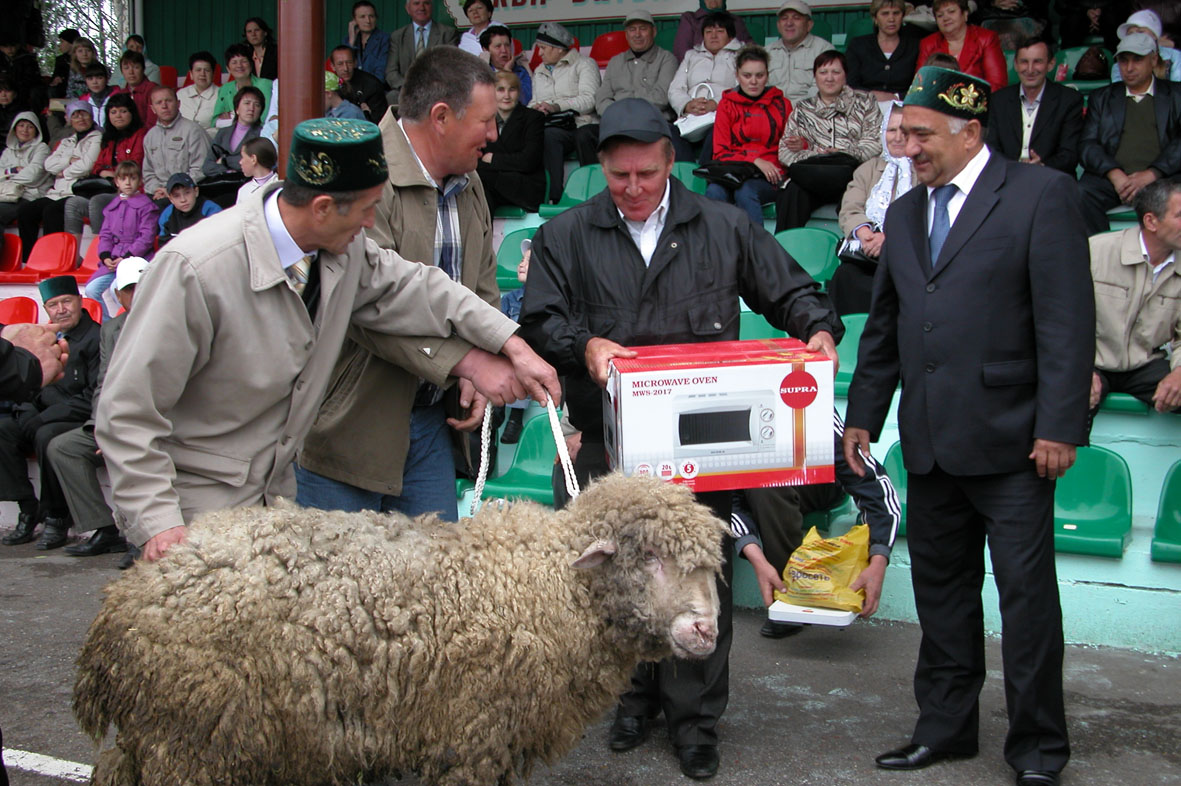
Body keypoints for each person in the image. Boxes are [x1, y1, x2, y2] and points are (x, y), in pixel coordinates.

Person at [517, 97, 842, 782]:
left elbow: (790, 290)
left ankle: (694, 721)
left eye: (646, 175)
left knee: (697, 584)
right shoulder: (565, 235)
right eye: (617, 177)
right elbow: (540, 322)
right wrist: (586, 343)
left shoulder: (722, 225)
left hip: (705, 443)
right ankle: (631, 701)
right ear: (600, 170)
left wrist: (815, 327)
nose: (632, 190)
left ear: (671, 163)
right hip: (611, 445)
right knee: (621, 582)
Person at [95, 116, 559, 563]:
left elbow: (419, 287)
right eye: (366, 210)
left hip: (273, 507)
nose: (371, 221)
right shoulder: (196, 269)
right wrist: (157, 521)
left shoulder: (341, 250)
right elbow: (128, 410)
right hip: (195, 517)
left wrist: (510, 344)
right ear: (321, 208)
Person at [843, 66, 1093, 786]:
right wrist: (863, 414)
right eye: (905, 133)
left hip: (1016, 445)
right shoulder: (907, 211)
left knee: (1025, 606)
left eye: (921, 135)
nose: (908, 148)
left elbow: (1066, 322)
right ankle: (945, 729)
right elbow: (886, 325)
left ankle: (1038, 749)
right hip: (929, 441)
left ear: (970, 131)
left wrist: (1060, 426)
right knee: (943, 600)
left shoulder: (1041, 196)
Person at [297, 48, 504, 522]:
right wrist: (466, 364)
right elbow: (369, 308)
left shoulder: (471, 185)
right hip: (348, 430)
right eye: (487, 121)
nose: (494, 136)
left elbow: (483, 291)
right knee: (344, 593)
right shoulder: (364, 175)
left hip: (430, 425)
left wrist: (484, 361)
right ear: (441, 117)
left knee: (433, 591)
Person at [732, 410, 899, 638]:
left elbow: (873, 486)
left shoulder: (808, 402)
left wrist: (879, 556)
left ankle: (794, 592)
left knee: (767, 480)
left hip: (814, 478)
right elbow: (723, 499)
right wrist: (753, 552)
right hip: (748, 484)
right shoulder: (723, 398)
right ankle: (787, 592)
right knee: (754, 485)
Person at [48, 257, 149, 561]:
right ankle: (104, 529)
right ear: (118, 294)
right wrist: (99, 426)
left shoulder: (174, 320)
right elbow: (104, 383)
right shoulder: (112, 328)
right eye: (130, 289)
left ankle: (140, 537)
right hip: (118, 418)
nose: (137, 294)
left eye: (143, 286)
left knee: (126, 449)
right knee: (64, 447)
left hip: (158, 420)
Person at [0, 276, 101, 551]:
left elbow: (94, 395)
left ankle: (57, 516)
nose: (61, 309)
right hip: (41, 414)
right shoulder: (45, 337)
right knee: (3, 428)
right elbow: (28, 383)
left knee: (46, 436)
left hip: (75, 418)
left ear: (80, 301)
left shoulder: (96, 337)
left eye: (67, 301)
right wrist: (28, 412)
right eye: (53, 305)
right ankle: (27, 506)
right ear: (46, 309)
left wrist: (41, 418)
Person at [1087, 178, 1181, 420]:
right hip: (1089, 361)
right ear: (1151, 221)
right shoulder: (1095, 252)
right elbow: (1058, 319)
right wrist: (1076, 369)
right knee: (1063, 397)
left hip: (1145, 365)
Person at [1077, 32, 1181, 235]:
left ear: (1153, 60)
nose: (1129, 68)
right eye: (1124, 61)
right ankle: (1102, 256)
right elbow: (1087, 145)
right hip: (1114, 180)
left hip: (1163, 178)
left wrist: (1153, 173)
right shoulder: (1103, 97)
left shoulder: (1176, 95)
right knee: (1079, 194)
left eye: (1137, 59)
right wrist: (1115, 174)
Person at [774, 50, 882, 232]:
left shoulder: (865, 102)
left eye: (836, 72)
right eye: (823, 73)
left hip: (851, 174)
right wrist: (819, 154)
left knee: (859, 190)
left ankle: (853, 252)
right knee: (792, 192)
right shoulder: (803, 109)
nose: (829, 78)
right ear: (815, 77)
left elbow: (875, 142)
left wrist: (841, 154)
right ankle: (783, 253)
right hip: (813, 176)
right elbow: (785, 152)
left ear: (845, 75)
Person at [832, 100, 913, 315]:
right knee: (845, 276)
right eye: (891, 129)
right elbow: (850, 208)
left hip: (906, 257)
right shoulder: (867, 169)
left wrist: (888, 239)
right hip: (867, 253)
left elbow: (923, 217)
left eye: (904, 130)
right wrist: (864, 232)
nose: (897, 137)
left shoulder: (924, 170)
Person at [704, 44, 790, 225]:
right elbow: (720, 152)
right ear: (737, 75)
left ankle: (755, 251)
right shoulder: (726, 105)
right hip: (734, 172)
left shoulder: (782, 104)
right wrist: (754, 160)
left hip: (769, 176)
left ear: (767, 75)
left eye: (760, 75)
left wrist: (798, 144)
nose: (753, 81)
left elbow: (790, 148)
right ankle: (717, 250)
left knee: (746, 191)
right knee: (714, 192)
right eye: (747, 75)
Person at [577, 10, 678, 163]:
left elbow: (661, 97)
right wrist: (618, 115)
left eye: (643, 29)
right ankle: (597, 182)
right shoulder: (615, 61)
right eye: (632, 29)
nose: (637, 34)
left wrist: (627, 113)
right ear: (626, 34)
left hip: (650, 123)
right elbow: (602, 98)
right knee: (584, 135)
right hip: (617, 123)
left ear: (654, 32)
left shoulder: (666, 59)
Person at [15, 100, 100, 264]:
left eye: (84, 114)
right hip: (57, 192)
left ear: (91, 117)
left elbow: (86, 166)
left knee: (51, 211)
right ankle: (27, 260)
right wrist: (69, 160)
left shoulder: (97, 138)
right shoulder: (67, 141)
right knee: (26, 211)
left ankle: (53, 259)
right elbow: (48, 164)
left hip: (77, 192)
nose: (80, 118)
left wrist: (63, 172)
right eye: (75, 115)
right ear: (69, 119)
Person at [986, 37, 1083, 176]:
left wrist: (1042, 166)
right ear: (1015, 64)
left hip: (1050, 179)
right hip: (1006, 178)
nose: (1030, 70)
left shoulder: (1069, 100)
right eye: (1024, 62)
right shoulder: (998, 100)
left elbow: (1069, 155)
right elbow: (991, 150)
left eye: (1037, 62)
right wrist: (1014, 169)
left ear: (1051, 64)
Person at [529, 21, 601, 203]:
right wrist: (535, 108)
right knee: (548, 135)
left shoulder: (585, 64)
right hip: (554, 126)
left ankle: (593, 192)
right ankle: (554, 196)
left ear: (559, 48)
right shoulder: (539, 71)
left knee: (581, 136)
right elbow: (534, 100)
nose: (539, 53)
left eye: (543, 48)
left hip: (581, 124)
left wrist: (556, 106)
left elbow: (590, 99)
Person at [64, 92, 147, 237]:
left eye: (123, 111)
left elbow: (134, 165)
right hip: (106, 188)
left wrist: (112, 173)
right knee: (73, 203)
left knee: (97, 202)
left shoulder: (141, 135)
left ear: (131, 113)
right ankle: (74, 257)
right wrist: (105, 172)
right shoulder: (108, 138)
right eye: (113, 112)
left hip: (129, 191)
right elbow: (97, 167)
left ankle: (99, 252)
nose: (118, 116)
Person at [669, 12, 741, 165]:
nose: (713, 36)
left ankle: (703, 173)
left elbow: (742, 88)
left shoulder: (741, 55)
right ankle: (688, 175)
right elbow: (675, 88)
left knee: (719, 130)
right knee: (668, 131)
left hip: (722, 114)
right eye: (708, 32)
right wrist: (687, 105)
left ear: (730, 36)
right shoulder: (691, 56)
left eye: (720, 31)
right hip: (691, 114)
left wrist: (716, 104)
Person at [477, 70, 545, 213]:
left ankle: (482, 234)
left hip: (525, 186)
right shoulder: (483, 120)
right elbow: (477, 159)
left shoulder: (533, 118)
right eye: (501, 90)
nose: (506, 96)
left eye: (512, 90)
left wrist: (494, 159)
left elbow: (529, 161)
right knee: (478, 182)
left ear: (518, 92)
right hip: (495, 184)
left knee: (481, 176)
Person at [917, 0, 1009, 92]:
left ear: (965, 14)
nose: (945, 18)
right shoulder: (928, 43)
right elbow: (920, 84)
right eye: (940, 15)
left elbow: (997, 85)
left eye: (951, 11)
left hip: (978, 102)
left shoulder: (986, 38)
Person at [142, 85, 212, 204]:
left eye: (168, 101)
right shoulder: (150, 136)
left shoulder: (193, 130)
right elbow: (148, 173)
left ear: (178, 103)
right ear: (153, 109)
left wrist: (172, 190)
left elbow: (201, 169)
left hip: (186, 194)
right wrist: (157, 190)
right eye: (159, 103)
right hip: (158, 194)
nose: (164, 106)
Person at [386, 0, 459, 106]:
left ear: (432, 7)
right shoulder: (398, 36)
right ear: (408, 9)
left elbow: (449, 68)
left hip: (437, 88)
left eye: (426, 3)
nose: (422, 7)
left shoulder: (447, 33)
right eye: (416, 3)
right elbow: (391, 72)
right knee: (392, 96)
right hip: (407, 88)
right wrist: (409, 86)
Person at [846, 0, 922, 101]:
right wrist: (871, 95)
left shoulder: (915, 46)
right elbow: (850, 84)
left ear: (902, 16)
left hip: (904, 106)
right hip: (864, 105)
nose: (891, 19)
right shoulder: (858, 45)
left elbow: (921, 86)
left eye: (896, 13)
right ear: (875, 18)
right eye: (885, 14)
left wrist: (896, 97)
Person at [767, 0, 834, 104]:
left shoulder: (823, 49)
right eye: (784, 18)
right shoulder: (766, 52)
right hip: (772, 111)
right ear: (778, 25)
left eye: (796, 18)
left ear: (809, 25)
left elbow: (823, 89)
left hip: (809, 112)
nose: (789, 23)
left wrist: (801, 112)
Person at [0, 111, 50, 229]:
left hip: (28, 196)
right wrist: (12, 170)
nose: (25, 130)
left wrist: (7, 177)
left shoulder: (42, 149)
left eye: (30, 127)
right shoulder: (8, 151)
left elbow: (32, 176)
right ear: (14, 128)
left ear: (37, 130)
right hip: (6, 195)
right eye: (21, 125)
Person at [204, 85, 264, 176]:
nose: (251, 108)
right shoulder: (223, 133)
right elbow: (207, 166)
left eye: (257, 105)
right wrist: (227, 171)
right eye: (247, 103)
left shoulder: (262, 134)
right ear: (237, 109)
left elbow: (255, 165)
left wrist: (224, 160)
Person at [1109, 10, 1181, 81]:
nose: (1135, 36)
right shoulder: (1118, 66)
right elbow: (1120, 91)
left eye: (1140, 32)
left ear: (1154, 35)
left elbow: (1177, 89)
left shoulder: (1175, 56)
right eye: (1130, 33)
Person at [211, 43, 272, 127]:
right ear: (228, 69)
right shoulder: (225, 88)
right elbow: (215, 121)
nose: (239, 66)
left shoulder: (265, 85)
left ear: (251, 65)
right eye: (234, 62)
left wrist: (232, 119)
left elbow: (263, 118)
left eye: (244, 61)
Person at [673, 0, 753, 61]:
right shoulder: (690, 19)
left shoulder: (735, 21)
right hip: (698, 70)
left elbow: (750, 49)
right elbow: (681, 52)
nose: (714, 2)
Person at [330, 45, 389, 123]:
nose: (345, 68)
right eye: (340, 64)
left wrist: (365, 114)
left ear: (355, 63)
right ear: (333, 66)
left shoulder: (371, 85)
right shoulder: (329, 84)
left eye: (349, 63)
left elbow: (380, 122)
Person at [159, 172, 221, 245]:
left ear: (196, 191)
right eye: (176, 196)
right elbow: (164, 246)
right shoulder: (166, 215)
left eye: (187, 193)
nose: (183, 199)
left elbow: (219, 241)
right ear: (171, 199)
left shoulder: (211, 210)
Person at [481, 24, 532, 106]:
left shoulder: (520, 71)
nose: (504, 50)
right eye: (498, 46)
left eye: (507, 45)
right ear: (486, 50)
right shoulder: (480, 73)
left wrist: (507, 72)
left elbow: (525, 99)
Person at [344, 0, 391, 84]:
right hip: (352, 89)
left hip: (375, 88)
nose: (368, 21)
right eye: (362, 17)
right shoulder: (348, 41)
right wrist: (351, 42)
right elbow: (344, 69)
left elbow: (381, 74)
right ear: (354, 20)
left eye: (371, 16)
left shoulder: (385, 40)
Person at [177, 51, 219, 137]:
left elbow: (224, 128)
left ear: (213, 74)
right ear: (191, 74)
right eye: (198, 70)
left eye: (207, 70)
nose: (202, 74)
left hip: (209, 143)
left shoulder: (222, 96)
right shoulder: (181, 94)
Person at [115, 49, 159, 130]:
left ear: (143, 69)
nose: (131, 72)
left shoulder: (152, 89)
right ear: (122, 71)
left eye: (136, 67)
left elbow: (152, 124)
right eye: (126, 68)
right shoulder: (121, 94)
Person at [235, 137, 278, 202]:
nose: (240, 162)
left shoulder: (280, 185)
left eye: (243, 157)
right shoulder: (244, 191)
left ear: (253, 159)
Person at [79, 63, 116, 130]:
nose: (94, 82)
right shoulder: (83, 101)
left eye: (99, 78)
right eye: (90, 79)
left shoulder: (117, 96)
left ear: (106, 79)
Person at [50, 29, 79, 98]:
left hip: (78, 90)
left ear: (71, 43)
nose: (60, 45)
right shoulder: (61, 60)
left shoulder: (82, 58)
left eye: (62, 42)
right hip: (62, 91)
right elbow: (55, 76)